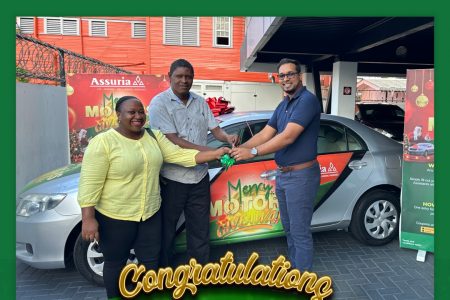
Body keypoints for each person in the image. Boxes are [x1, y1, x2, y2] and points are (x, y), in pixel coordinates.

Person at [77, 96, 229, 299]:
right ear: (118, 115)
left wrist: (217, 153)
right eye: (131, 112)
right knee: (115, 264)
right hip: (115, 217)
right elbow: (90, 183)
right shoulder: (103, 142)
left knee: (151, 263)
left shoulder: (153, 136)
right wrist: (88, 218)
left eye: (141, 112)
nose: (138, 116)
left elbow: (180, 156)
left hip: (150, 214)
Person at [230, 58, 321, 271]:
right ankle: (296, 271)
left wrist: (252, 152)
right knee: (289, 229)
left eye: (290, 74)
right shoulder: (283, 105)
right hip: (283, 175)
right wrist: (239, 150)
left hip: (301, 176)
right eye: (282, 75)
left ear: (299, 76)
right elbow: (265, 133)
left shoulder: (307, 100)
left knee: (299, 232)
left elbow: (288, 137)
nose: (286, 78)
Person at [148, 58, 238, 267]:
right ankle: (163, 270)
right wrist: (213, 152)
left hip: (199, 177)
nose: (184, 80)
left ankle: (199, 269)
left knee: (199, 227)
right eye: (179, 76)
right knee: (166, 228)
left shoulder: (200, 102)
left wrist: (227, 137)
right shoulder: (159, 103)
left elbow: (215, 129)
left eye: (188, 76)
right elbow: (174, 140)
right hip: (172, 178)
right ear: (169, 78)